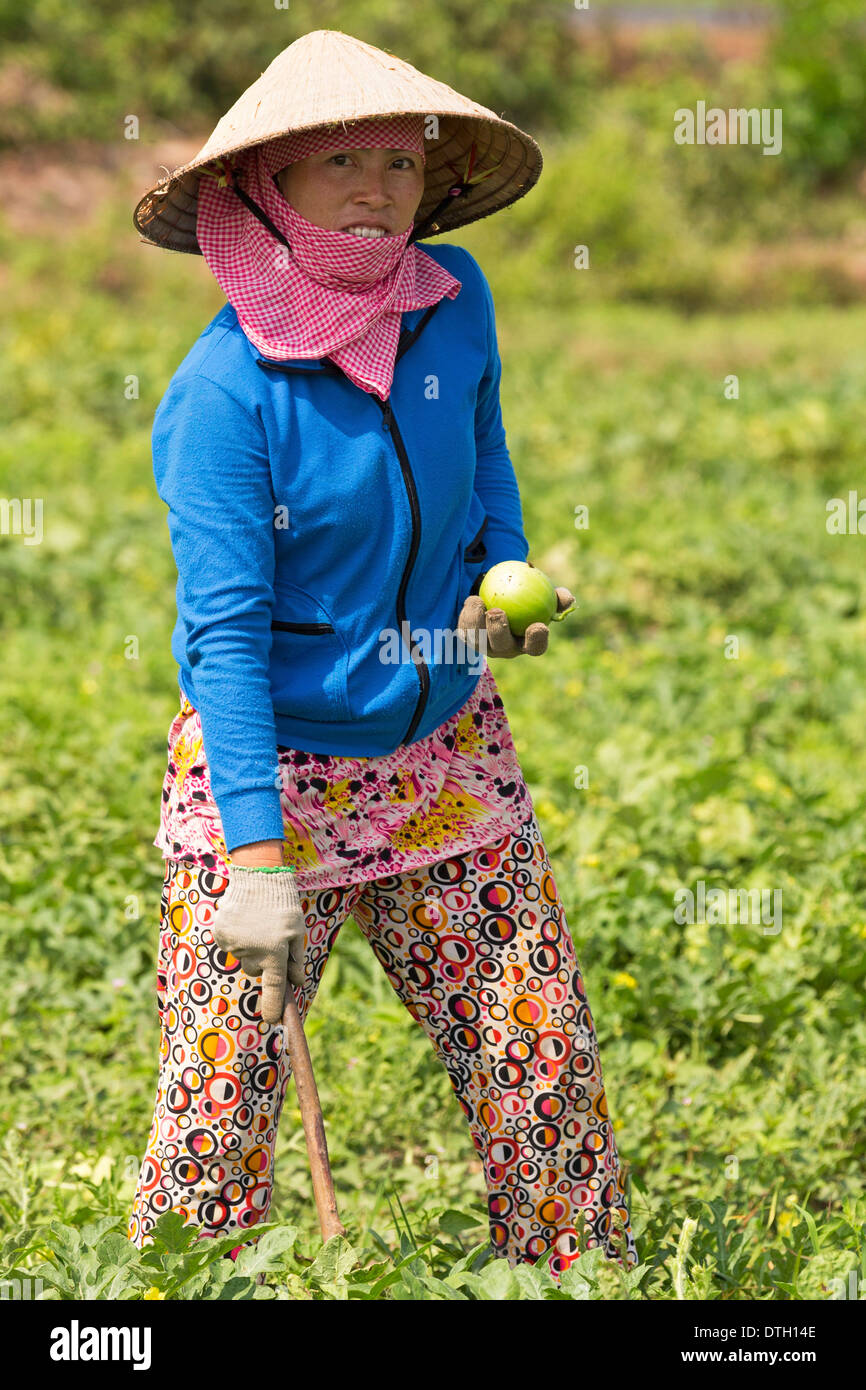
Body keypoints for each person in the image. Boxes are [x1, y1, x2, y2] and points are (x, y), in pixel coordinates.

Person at [127, 28, 637, 1282]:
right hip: (275, 779)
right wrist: (256, 861)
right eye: (339, 162)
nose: (376, 189)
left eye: (398, 163)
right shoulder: (224, 393)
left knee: (540, 1068)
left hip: (442, 756)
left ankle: (578, 1285)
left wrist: (498, 577)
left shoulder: (453, 302)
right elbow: (224, 637)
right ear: (266, 187)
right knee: (218, 1114)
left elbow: (486, 453)